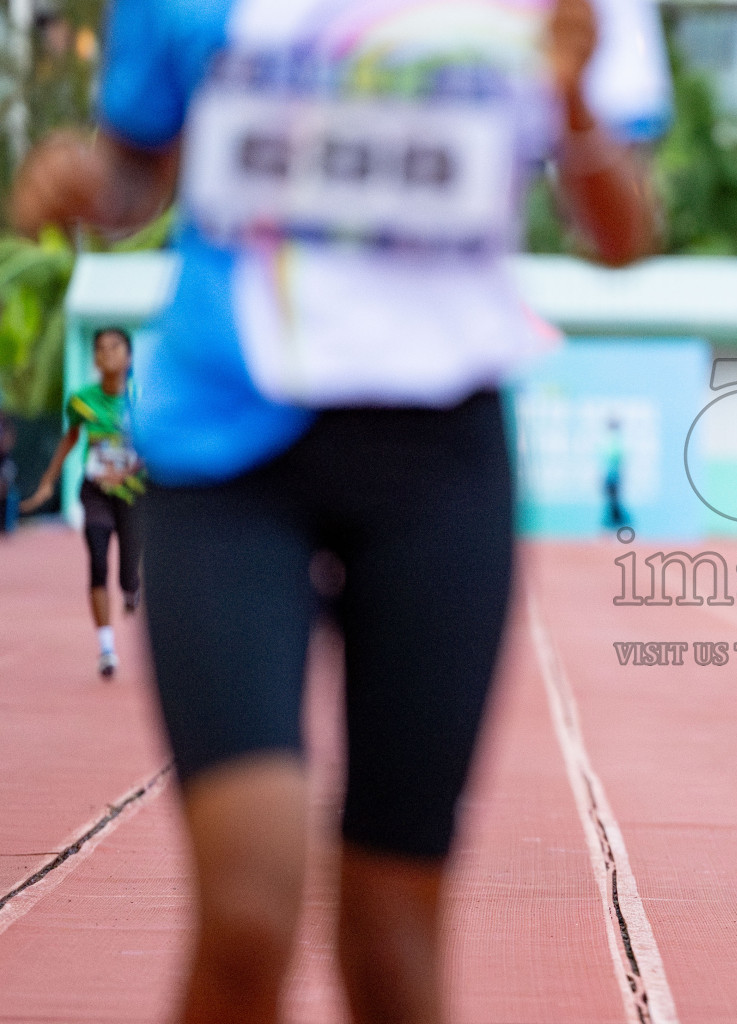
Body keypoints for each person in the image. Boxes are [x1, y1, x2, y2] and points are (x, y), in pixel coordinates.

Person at [9, 0, 663, 1021]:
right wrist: (90, 184)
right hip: (227, 447)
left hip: (435, 460)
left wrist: (571, 94)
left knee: (394, 941)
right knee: (246, 912)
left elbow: (622, 232)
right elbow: (139, 170)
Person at [20, 327, 145, 677]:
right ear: (94, 358)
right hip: (95, 491)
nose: (107, 354)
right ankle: (106, 650)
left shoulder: (142, 399)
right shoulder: (81, 399)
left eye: (115, 348)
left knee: (127, 576)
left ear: (129, 356)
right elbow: (70, 438)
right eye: (100, 349)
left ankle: (132, 588)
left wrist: (134, 470)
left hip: (133, 495)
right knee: (98, 561)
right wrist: (47, 481)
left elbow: (158, 445)